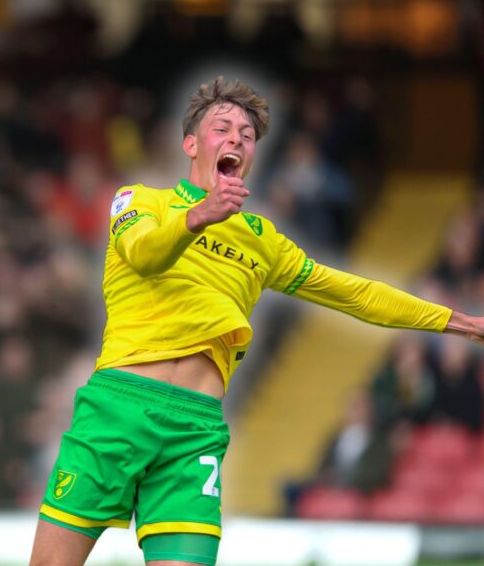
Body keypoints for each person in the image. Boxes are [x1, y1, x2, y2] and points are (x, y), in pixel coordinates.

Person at [29, 76, 484, 566]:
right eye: (222, 128)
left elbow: (354, 293)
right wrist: (198, 216)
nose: (237, 139)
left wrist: (460, 322)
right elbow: (143, 253)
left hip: (195, 431)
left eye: (247, 136)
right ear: (191, 144)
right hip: (119, 409)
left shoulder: (263, 240)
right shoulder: (140, 201)